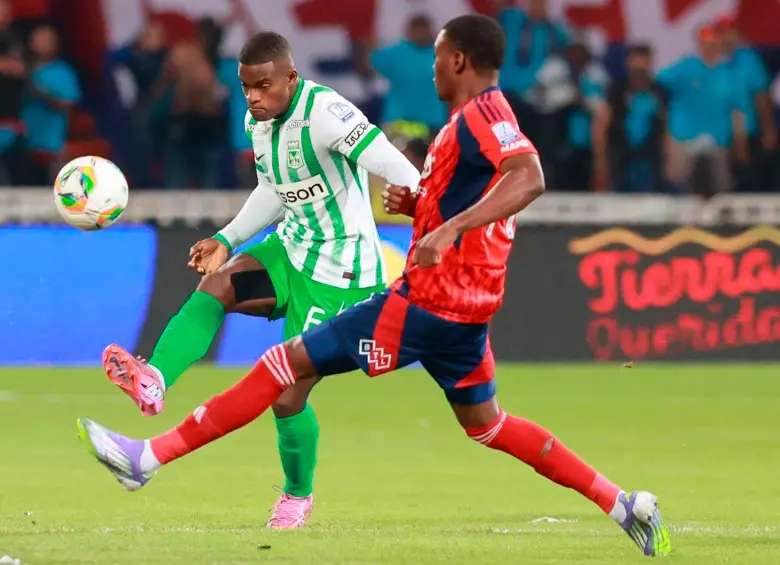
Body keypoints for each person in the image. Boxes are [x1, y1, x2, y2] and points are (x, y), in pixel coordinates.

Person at [78, 15, 671, 557]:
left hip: (395, 291)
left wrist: (445, 227)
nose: (429, 66)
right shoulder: (468, 121)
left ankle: (152, 460)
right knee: (487, 425)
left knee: (282, 378)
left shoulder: (472, 118)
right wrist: (422, 207)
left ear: (459, 61)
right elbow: (289, 188)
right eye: (247, 88)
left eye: (437, 57)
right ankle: (624, 503)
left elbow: (527, 176)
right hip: (456, 311)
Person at [99, 31, 420, 529]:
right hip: (291, 247)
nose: (253, 97)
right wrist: (227, 239)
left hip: (341, 272)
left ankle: (297, 496)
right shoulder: (259, 120)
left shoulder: (327, 113)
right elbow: (273, 189)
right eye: (247, 86)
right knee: (216, 286)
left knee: (288, 393)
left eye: (264, 86)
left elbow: (388, 160)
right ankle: (155, 379)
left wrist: (427, 202)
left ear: (290, 78)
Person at [657, 26, 746, 195]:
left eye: (713, 42)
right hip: (684, 139)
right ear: (698, 44)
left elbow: (738, 112)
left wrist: (740, 143)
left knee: (720, 189)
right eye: (705, 43)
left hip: (718, 141)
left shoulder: (728, 73)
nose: (709, 47)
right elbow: (658, 83)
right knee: (681, 189)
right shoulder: (685, 67)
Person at [592, 44, 668, 192]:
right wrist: (600, 163)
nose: (639, 72)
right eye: (635, 68)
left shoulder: (659, 93)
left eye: (643, 68)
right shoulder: (615, 91)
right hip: (620, 158)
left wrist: (669, 161)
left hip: (650, 160)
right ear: (628, 64)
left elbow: (666, 128)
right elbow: (600, 127)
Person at [714, 14, 777, 192]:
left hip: (749, 134)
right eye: (722, 32)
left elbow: (761, 96)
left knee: (752, 182)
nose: (726, 37)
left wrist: (769, 130)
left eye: (730, 32)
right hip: (719, 138)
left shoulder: (748, 59)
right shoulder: (709, 61)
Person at [21, 25, 81, 185]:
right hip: (19, 146)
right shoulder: (21, 69)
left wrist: (40, 92)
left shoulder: (63, 71)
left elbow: (67, 103)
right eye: (38, 39)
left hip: (50, 149)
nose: (42, 43)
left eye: (47, 40)